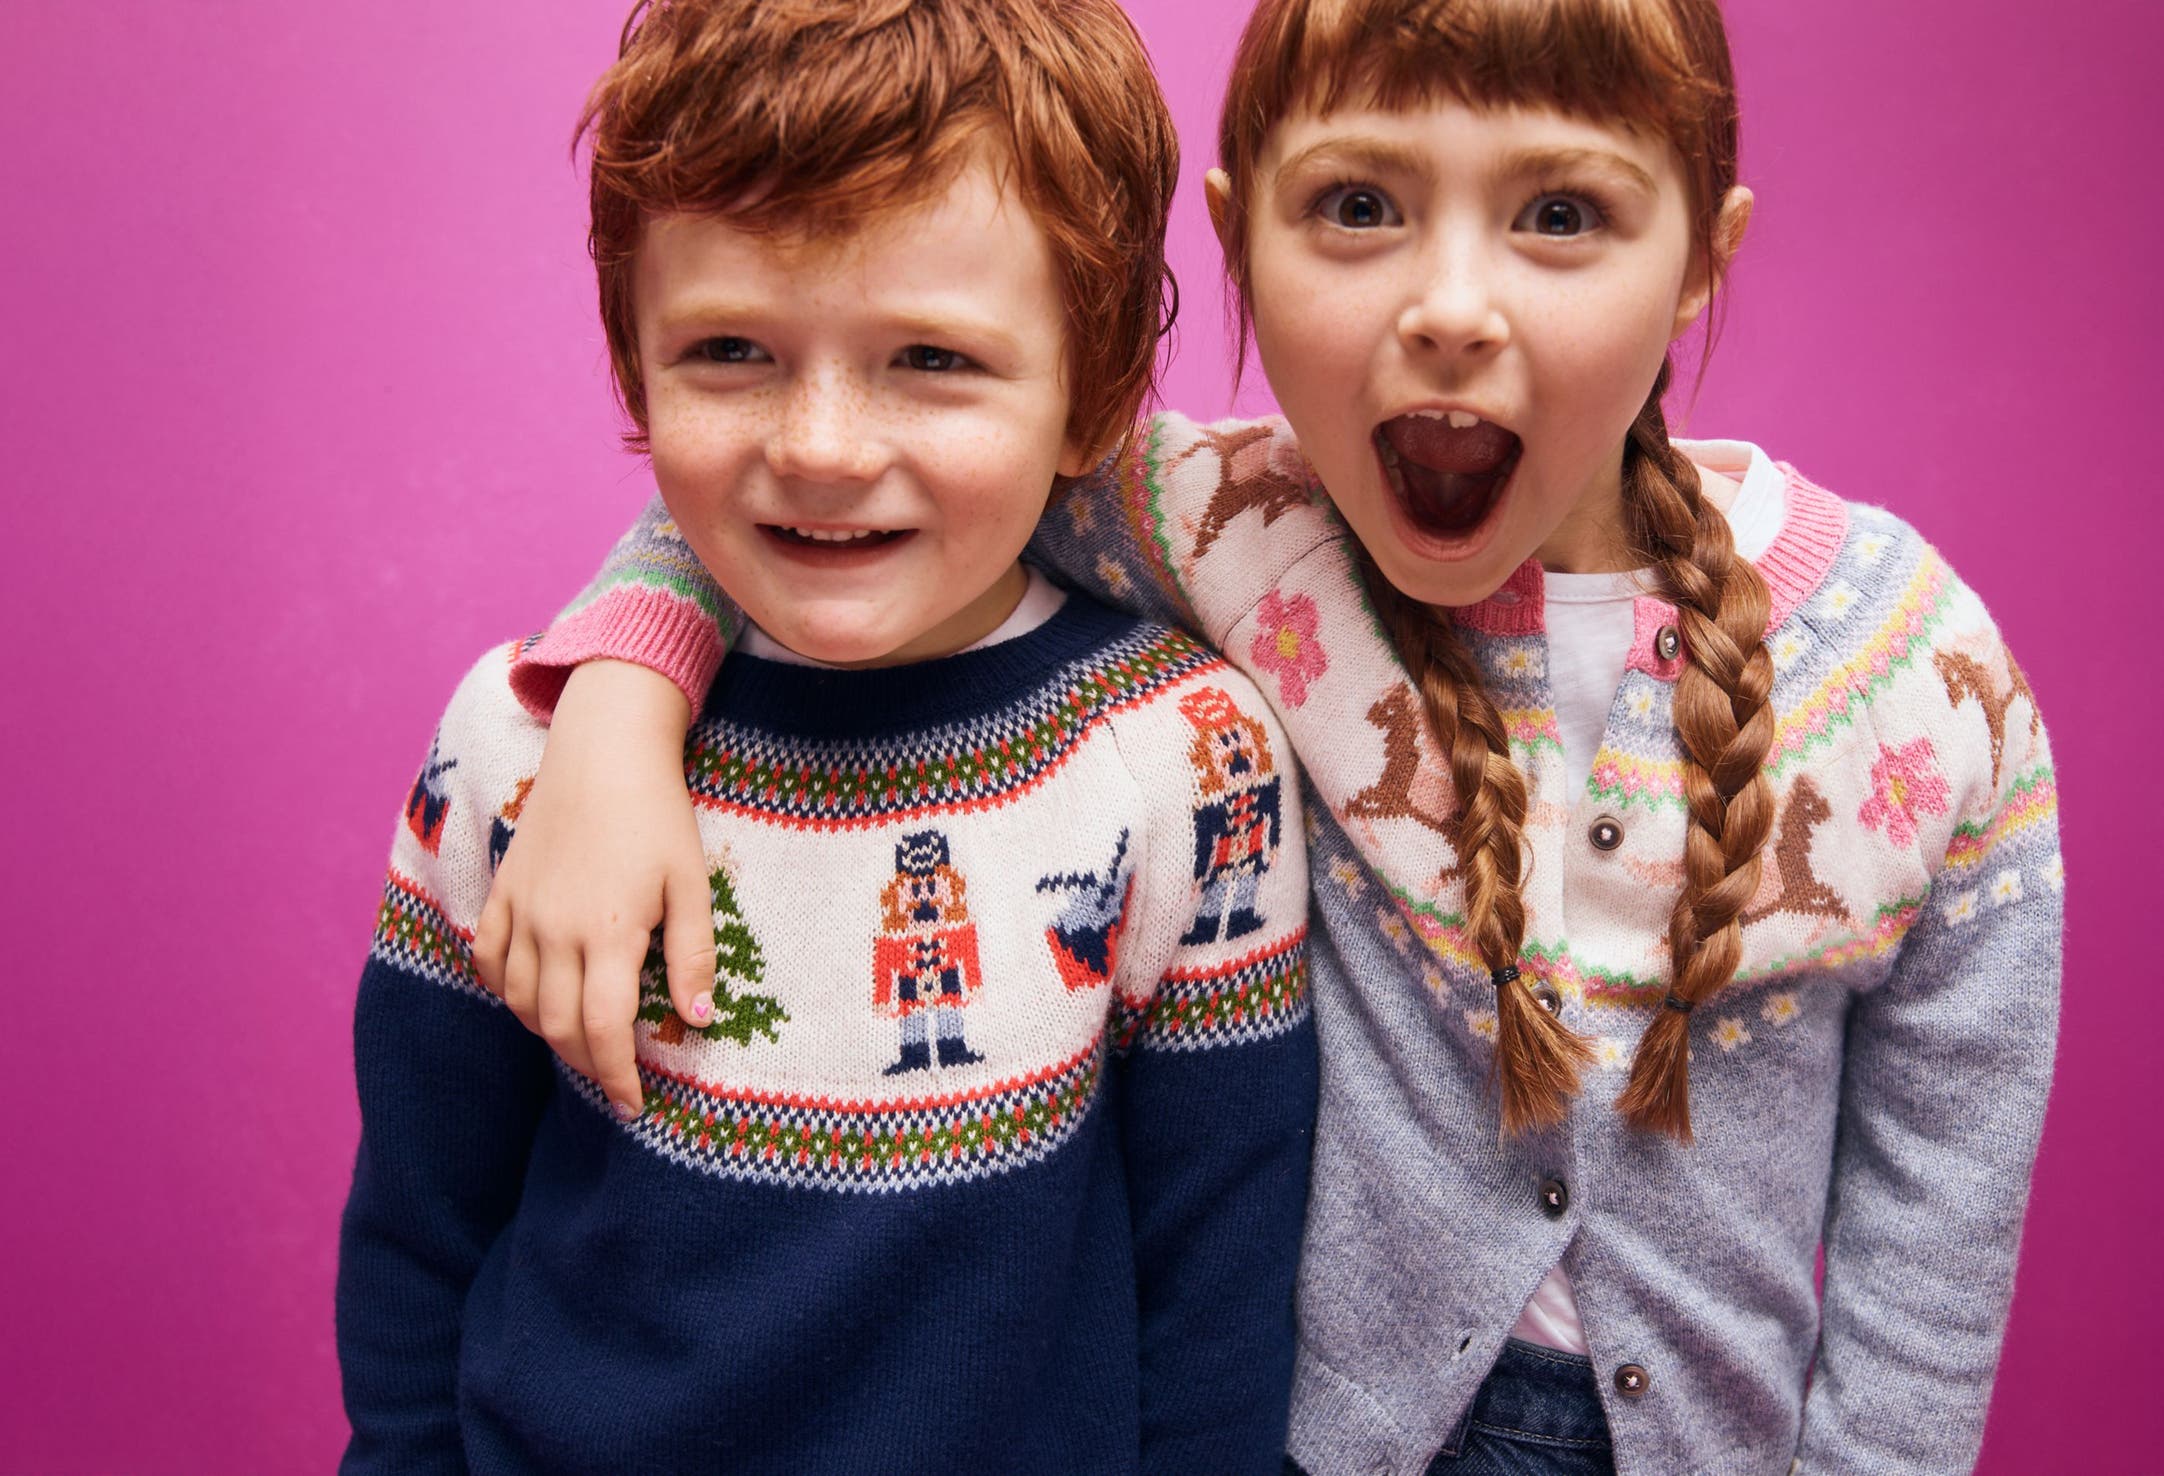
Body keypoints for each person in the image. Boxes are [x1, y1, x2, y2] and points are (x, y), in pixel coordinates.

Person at [481, 0, 2064, 1470]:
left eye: (1562, 216)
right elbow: (820, 463)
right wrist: (624, 705)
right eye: (1360, 207)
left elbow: (1940, 1234)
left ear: (1701, 261)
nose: (1450, 308)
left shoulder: (1923, 681)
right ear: (1237, 235)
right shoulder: (1223, 525)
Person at [334, 1, 1317, 1471]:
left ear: (1091, 393)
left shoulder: (1184, 761)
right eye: (731, 349)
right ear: (634, 366)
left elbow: (1217, 1300)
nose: (823, 447)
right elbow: (421, 1225)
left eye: (931, 358)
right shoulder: (517, 747)